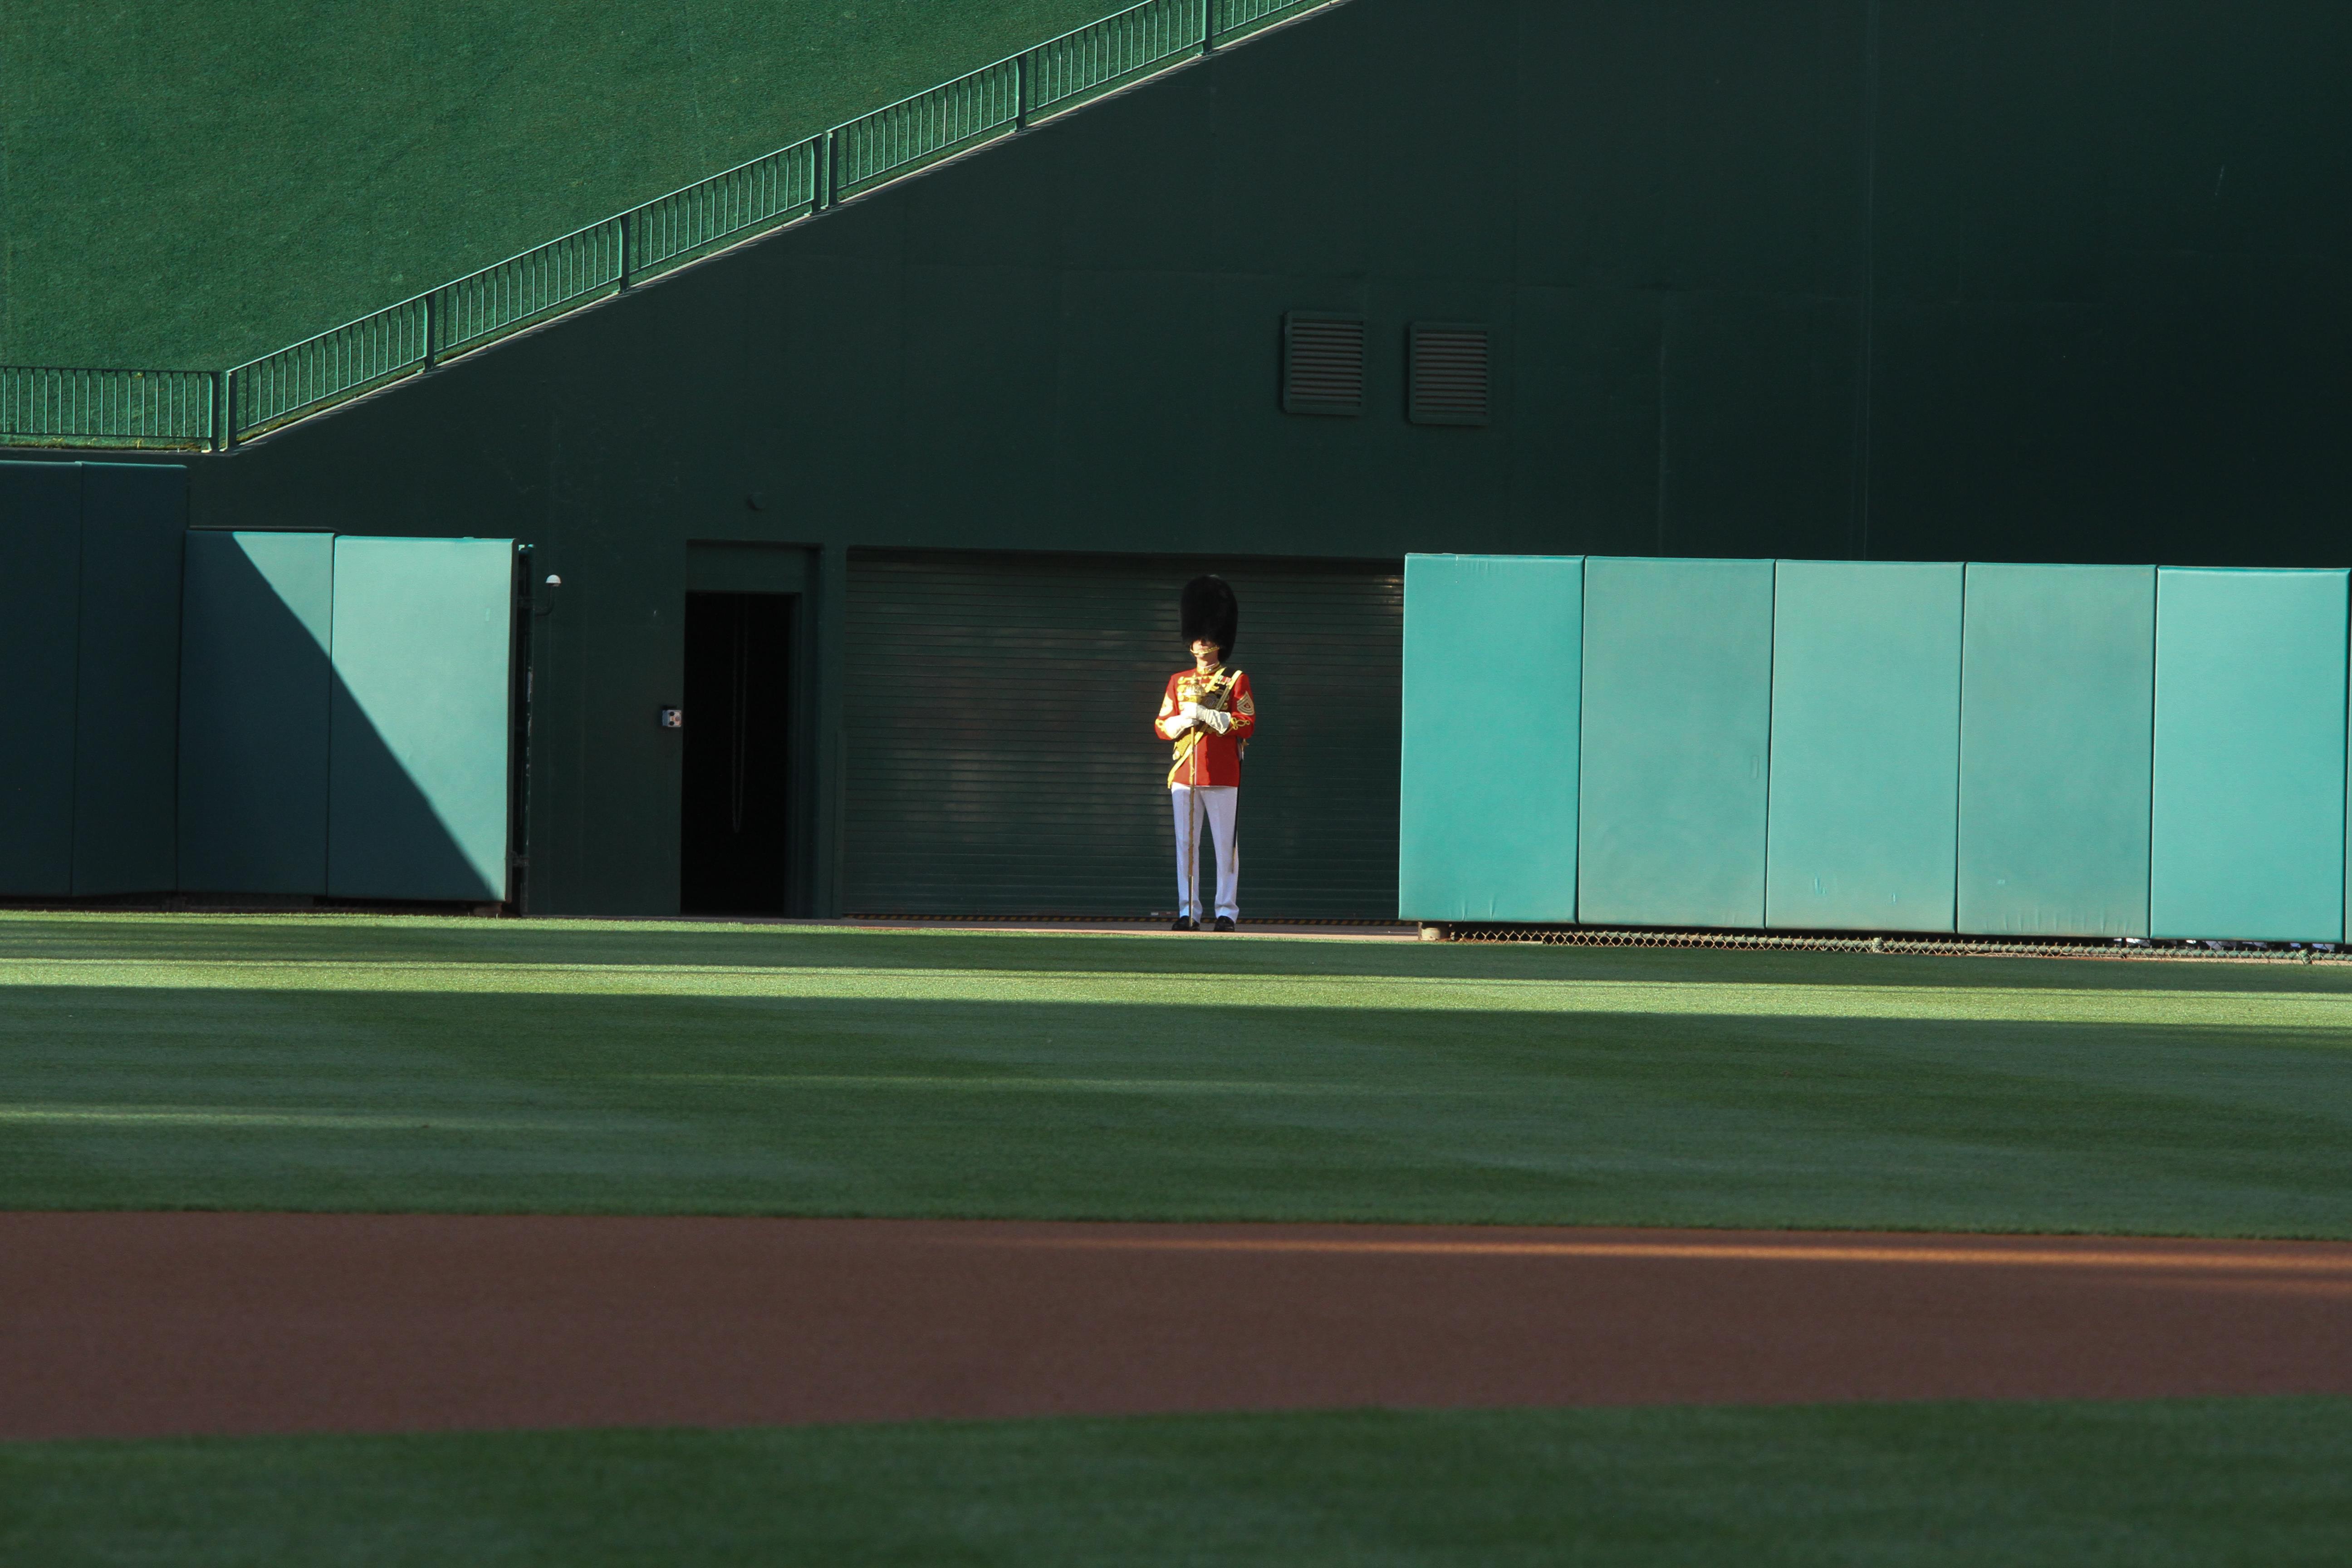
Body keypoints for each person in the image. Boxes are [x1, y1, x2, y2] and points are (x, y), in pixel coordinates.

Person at [1154, 575, 1254, 931]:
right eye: (1196, 634)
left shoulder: (1234, 680)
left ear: (1218, 640)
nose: (1200, 641)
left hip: (1224, 773)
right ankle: (1189, 911)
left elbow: (1247, 724)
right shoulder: (1178, 681)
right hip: (1186, 773)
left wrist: (1210, 715)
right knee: (1186, 845)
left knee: (1225, 847)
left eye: (1207, 634)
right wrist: (1182, 720)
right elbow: (1161, 726)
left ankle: (1226, 911)